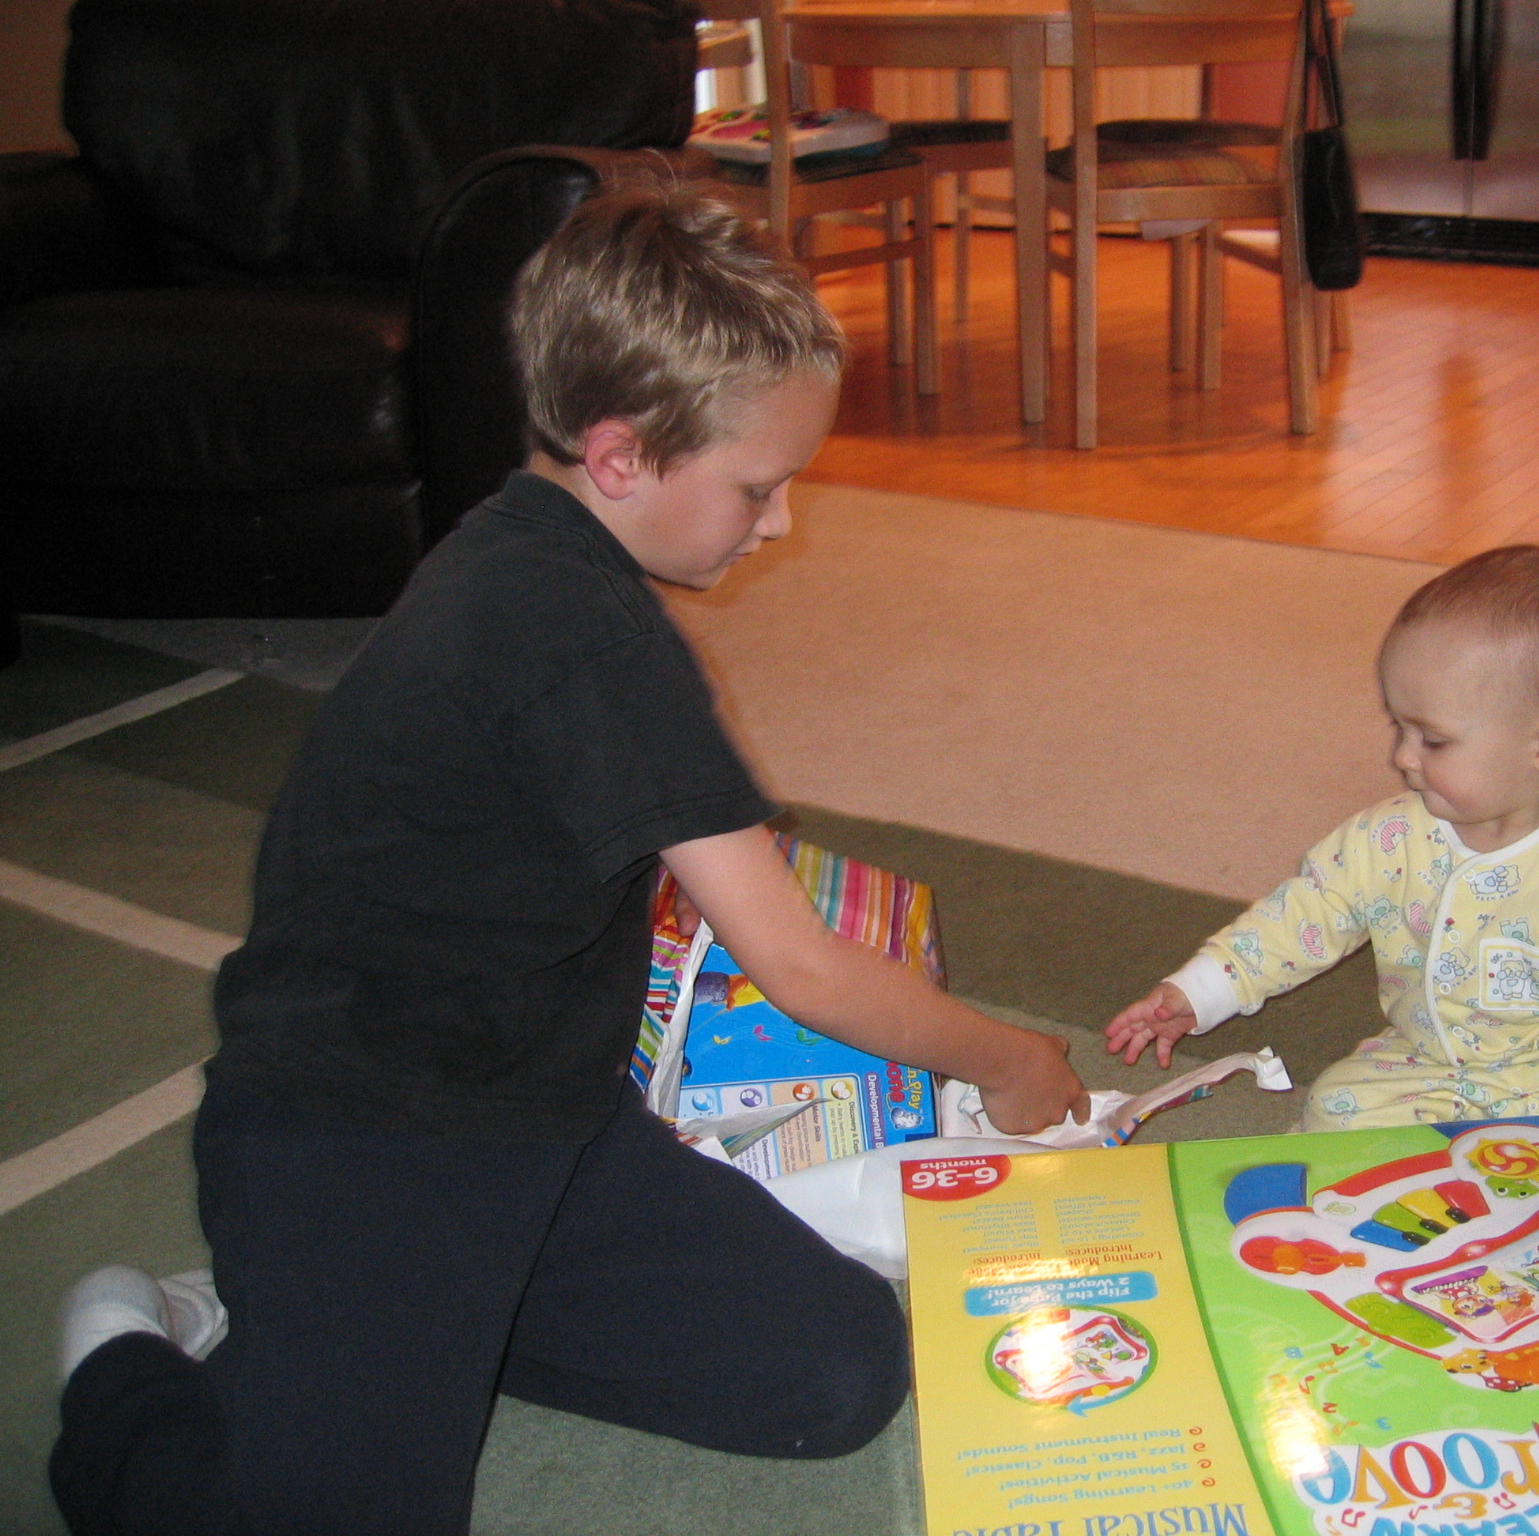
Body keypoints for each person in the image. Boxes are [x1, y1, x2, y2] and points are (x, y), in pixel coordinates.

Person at [49, 177, 1089, 1536]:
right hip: (356, 1129)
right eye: (760, 489)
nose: (779, 526)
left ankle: (376, 1338)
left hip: (541, 1107)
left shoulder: (544, 558)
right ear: (618, 456)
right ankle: (128, 1361)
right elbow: (799, 968)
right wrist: (1016, 1059)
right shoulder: (580, 637)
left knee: (831, 1375)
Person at [1104, 545, 1539, 1175]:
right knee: (1336, 1108)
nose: (1403, 757)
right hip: (1442, 1067)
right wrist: (1200, 991)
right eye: (1400, 727)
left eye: (1434, 740)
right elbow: (1301, 914)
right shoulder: (1387, 839)